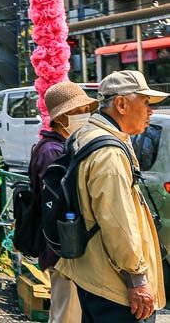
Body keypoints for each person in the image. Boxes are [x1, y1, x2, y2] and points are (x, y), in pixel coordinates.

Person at [56, 70, 168, 323]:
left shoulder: (87, 135)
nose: (150, 111)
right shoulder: (109, 152)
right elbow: (118, 222)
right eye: (146, 102)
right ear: (121, 104)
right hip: (114, 285)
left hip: (92, 272)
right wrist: (137, 280)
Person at [28, 82, 96, 323]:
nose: (83, 116)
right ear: (62, 117)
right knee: (66, 314)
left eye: (85, 110)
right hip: (62, 247)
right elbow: (58, 204)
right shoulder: (52, 152)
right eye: (77, 112)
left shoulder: (62, 147)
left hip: (65, 246)